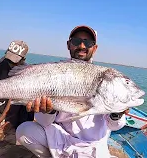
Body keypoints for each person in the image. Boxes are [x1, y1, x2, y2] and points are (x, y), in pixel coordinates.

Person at [15, 25, 129, 158]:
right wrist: (48, 110)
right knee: (24, 131)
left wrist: (116, 114)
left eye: (88, 42)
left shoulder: (105, 79)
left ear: (95, 48)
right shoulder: (57, 72)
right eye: (76, 41)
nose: (82, 46)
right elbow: (44, 123)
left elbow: (114, 126)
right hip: (61, 139)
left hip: (92, 146)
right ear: (68, 45)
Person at [0, 40, 34, 130]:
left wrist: (1, 119)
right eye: (9, 60)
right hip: (4, 95)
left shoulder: (24, 71)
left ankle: (11, 121)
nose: (11, 63)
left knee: (26, 99)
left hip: (15, 100)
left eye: (14, 62)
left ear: (23, 60)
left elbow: (14, 96)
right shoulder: (3, 62)